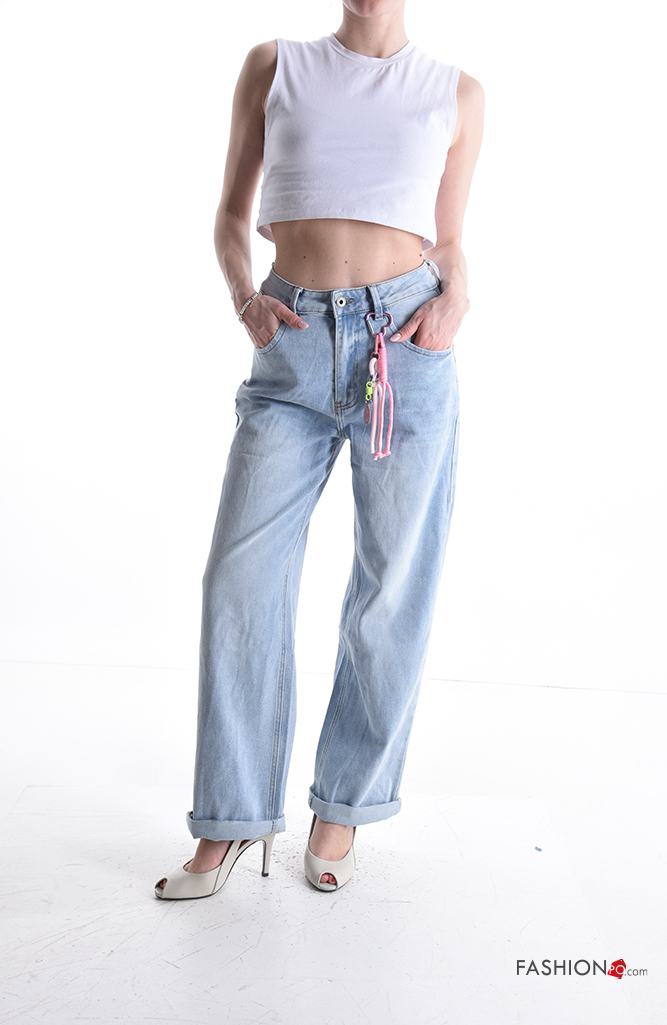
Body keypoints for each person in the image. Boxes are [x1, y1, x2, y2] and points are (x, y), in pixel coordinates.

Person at [155, 0, 484, 899]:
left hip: (404, 346)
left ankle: (342, 805)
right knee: (240, 579)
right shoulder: (275, 65)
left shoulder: (456, 92)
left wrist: (457, 297)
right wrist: (243, 299)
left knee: (391, 585)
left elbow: (451, 238)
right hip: (291, 341)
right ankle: (231, 818)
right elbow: (231, 214)